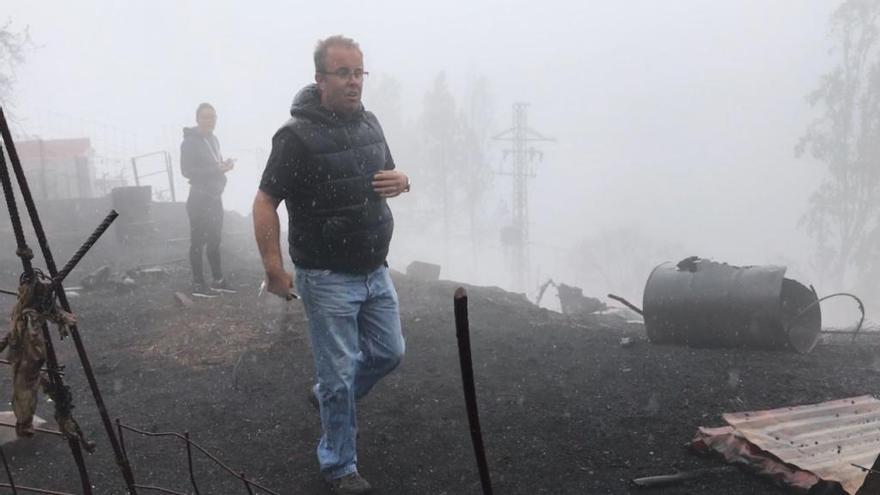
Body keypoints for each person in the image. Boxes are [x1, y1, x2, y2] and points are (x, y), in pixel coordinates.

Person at [253, 35, 410, 495]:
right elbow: (265, 202)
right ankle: (339, 464)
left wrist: (404, 180)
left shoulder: (371, 124)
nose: (354, 82)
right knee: (339, 374)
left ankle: (325, 398)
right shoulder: (295, 136)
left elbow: (390, 175)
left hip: (375, 270)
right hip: (326, 276)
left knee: (389, 352)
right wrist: (273, 268)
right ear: (320, 79)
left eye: (359, 72)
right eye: (343, 73)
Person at [180, 102, 237, 297]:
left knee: (214, 240)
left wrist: (224, 165)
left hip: (214, 198)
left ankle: (218, 280)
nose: (208, 121)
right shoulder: (189, 142)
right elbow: (186, 171)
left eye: (212, 117)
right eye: (204, 117)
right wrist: (216, 169)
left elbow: (214, 165)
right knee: (197, 241)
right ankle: (198, 283)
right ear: (197, 119)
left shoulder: (214, 140)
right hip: (198, 198)